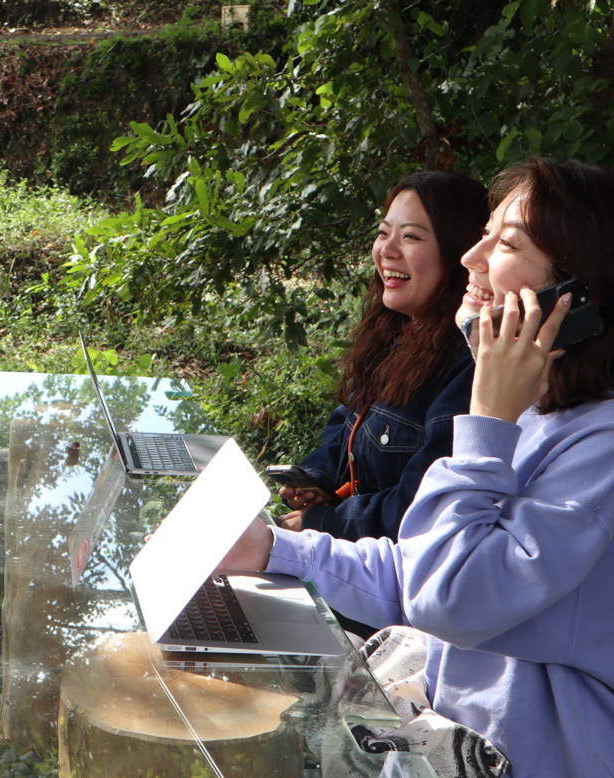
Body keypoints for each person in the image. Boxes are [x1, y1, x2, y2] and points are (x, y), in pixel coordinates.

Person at [225, 157, 614, 777]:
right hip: (453, 731)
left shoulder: (597, 451)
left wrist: (486, 422)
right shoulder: (539, 412)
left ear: (577, 295)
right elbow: (415, 567)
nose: (471, 258)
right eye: (483, 234)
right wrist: (272, 549)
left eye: (507, 243)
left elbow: (446, 598)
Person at [279, 172, 490, 544]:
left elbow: (421, 505)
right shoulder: (394, 329)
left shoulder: (470, 364)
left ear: (461, 252)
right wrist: (316, 479)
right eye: (383, 233)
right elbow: (348, 419)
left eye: (410, 237)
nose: (387, 250)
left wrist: (324, 522)